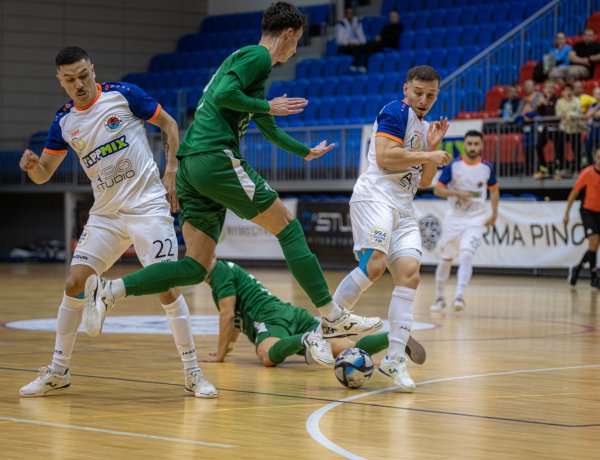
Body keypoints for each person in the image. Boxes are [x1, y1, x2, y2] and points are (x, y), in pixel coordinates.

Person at [83, 2, 383, 344]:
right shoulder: (257, 56)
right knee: (289, 228)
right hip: (214, 157)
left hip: (192, 167)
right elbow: (227, 96)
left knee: (196, 267)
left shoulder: (249, 64)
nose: (296, 48)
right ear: (287, 34)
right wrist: (266, 105)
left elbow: (266, 125)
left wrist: (305, 151)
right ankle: (331, 316)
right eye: (297, 40)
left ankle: (110, 289)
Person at [18, 47, 216, 398]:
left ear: (93, 69)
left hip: (148, 207)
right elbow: (45, 174)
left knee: (167, 287)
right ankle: (58, 371)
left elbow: (169, 124)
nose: (79, 84)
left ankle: (193, 371)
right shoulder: (64, 122)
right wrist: (34, 167)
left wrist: (172, 167)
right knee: (74, 283)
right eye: (70, 79)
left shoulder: (123, 96)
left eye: (83, 75)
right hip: (106, 214)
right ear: (60, 81)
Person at [331, 65, 451, 391]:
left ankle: (395, 359)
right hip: (376, 198)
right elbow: (385, 157)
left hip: (403, 206)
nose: (424, 100)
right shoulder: (395, 110)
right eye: (418, 93)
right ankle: (323, 329)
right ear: (406, 90)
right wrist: (427, 151)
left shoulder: (424, 128)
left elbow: (424, 182)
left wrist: (429, 149)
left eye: (431, 95)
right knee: (374, 265)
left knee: (410, 273)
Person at [201, 259, 426, 367]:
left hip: (270, 317)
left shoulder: (218, 271)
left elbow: (228, 315)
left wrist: (221, 356)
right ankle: (394, 338)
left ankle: (309, 339)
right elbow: (235, 321)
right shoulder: (224, 272)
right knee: (347, 350)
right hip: (289, 312)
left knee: (267, 356)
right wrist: (227, 349)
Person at [430, 130, 500, 313]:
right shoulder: (453, 166)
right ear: (464, 145)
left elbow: (494, 190)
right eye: (470, 144)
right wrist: (457, 193)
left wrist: (494, 213)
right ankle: (440, 297)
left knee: (467, 254)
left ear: (482, 145)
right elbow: (437, 190)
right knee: (446, 259)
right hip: (454, 219)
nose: (473, 147)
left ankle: (459, 296)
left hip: (476, 219)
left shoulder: (487, 168)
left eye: (476, 144)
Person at [564, 147, 600, 288]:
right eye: (598, 156)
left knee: (594, 246)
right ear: (595, 158)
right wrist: (566, 213)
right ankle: (594, 277)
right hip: (588, 211)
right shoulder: (587, 173)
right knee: (593, 240)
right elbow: (574, 193)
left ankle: (577, 269)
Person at [533, 80, 560, 179]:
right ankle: (543, 167)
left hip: (556, 127)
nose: (549, 90)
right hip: (546, 127)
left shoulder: (557, 99)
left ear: (555, 90)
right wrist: (540, 105)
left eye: (551, 88)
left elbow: (554, 112)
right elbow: (541, 113)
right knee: (539, 145)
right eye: (547, 88)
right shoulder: (542, 99)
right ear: (543, 89)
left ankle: (558, 169)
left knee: (558, 148)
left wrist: (547, 103)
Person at [555, 84, 582, 178]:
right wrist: (567, 114)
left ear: (573, 92)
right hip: (564, 128)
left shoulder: (577, 101)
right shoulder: (559, 102)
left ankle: (577, 169)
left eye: (570, 90)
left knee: (576, 150)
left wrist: (569, 114)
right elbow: (558, 114)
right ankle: (563, 168)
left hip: (575, 129)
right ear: (562, 93)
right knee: (559, 148)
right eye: (566, 90)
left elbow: (578, 113)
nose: (568, 92)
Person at [336, 6, 367, 71]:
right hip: (345, 46)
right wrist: (348, 43)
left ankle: (359, 65)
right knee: (356, 49)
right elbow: (339, 40)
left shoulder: (357, 22)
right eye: (348, 13)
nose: (350, 15)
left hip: (355, 44)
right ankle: (356, 65)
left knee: (365, 47)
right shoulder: (342, 24)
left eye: (351, 13)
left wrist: (362, 43)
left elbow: (361, 36)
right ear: (346, 14)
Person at [584, 87, 600, 167]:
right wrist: (598, 106)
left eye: (599, 94)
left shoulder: (593, 107)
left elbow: (597, 115)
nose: (598, 96)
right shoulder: (593, 105)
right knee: (588, 148)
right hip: (593, 132)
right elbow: (588, 115)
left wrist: (593, 113)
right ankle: (591, 166)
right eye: (596, 94)